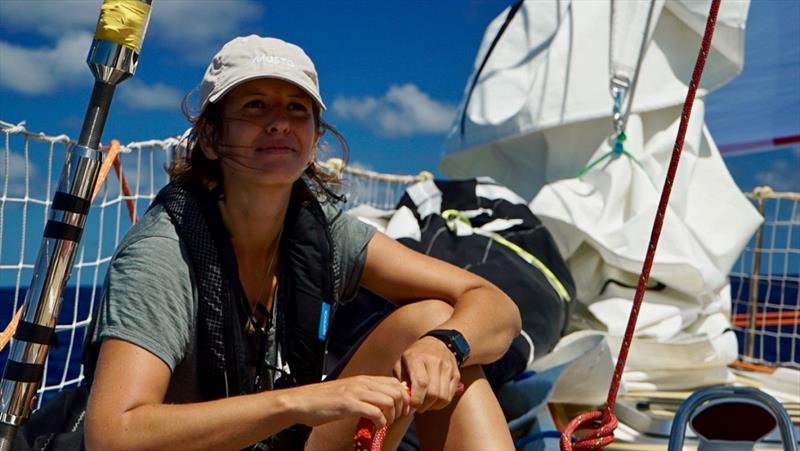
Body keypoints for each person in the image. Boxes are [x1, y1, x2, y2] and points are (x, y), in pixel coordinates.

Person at [83, 34, 521, 451]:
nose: (279, 123)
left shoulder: (323, 232)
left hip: (291, 440)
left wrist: (445, 345)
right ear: (213, 138)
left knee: (430, 320)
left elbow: (495, 305)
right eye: (255, 107)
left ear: (313, 140)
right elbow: (113, 435)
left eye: (296, 109)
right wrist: (299, 402)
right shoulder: (163, 254)